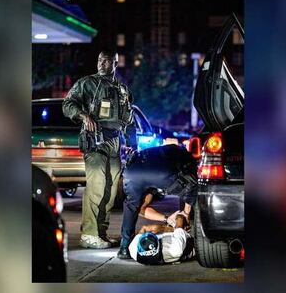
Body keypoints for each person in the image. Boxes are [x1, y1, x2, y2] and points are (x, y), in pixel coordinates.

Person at [62, 50, 135, 249]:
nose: (101, 63)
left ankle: (100, 233)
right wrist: (84, 116)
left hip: (115, 143)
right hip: (95, 140)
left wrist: (131, 144)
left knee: (111, 191)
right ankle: (89, 234)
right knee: (96, 187)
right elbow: (68, 104)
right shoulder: (87, 83)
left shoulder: (122, 89)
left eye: (106, 60)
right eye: (99, 59)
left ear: (115, 63)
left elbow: (130, 120)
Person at [117, 144, 198, 258]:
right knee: (193, 187)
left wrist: (166, 219)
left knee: (132, 206)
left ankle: (125, 248)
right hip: (161, 171)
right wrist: (186, 213)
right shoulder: (186, 158)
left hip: (133, 171)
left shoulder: (162, 155)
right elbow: (192, 185)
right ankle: (186, 215)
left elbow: (141, 209)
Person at [129, 213, 195, 265]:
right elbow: (179, 226)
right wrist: (180, 215)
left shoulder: (133, 249)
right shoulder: (175, 249)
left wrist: (166, 225)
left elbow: (144, 228)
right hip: (185, 245)